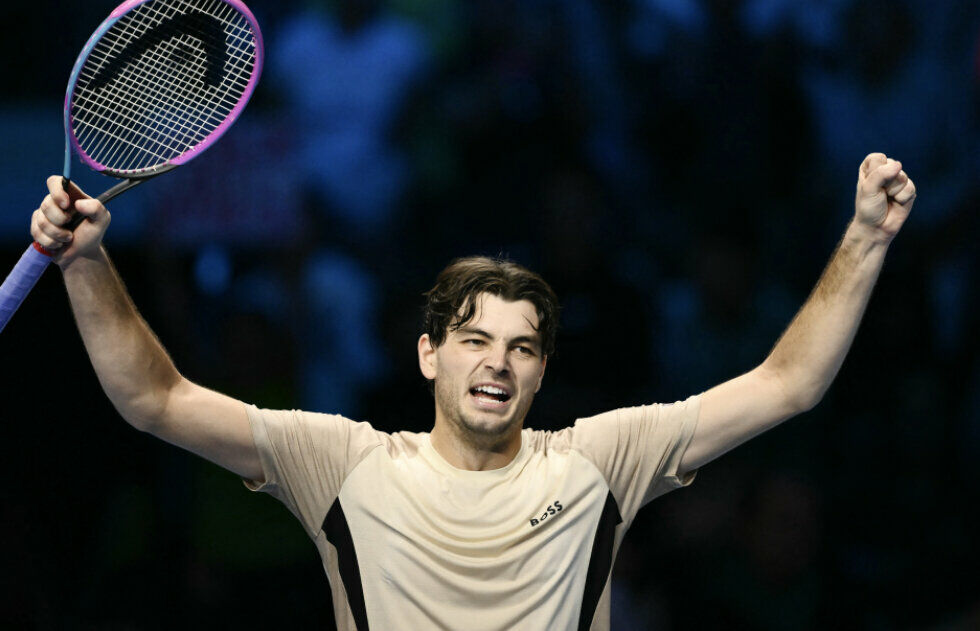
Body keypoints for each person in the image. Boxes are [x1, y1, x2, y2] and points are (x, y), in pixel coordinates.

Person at [29, 153, 916, 630]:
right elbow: (155, 399)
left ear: (540, 371)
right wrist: (88, 260)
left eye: (523, 347)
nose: (499, 362)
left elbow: (789, 383)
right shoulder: (342, 460)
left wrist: (867, 239)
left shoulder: (600, 459)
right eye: (477, 340)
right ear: (429, 356)